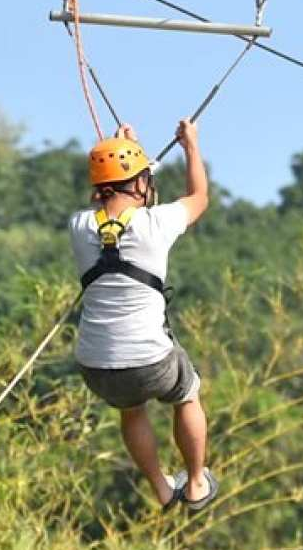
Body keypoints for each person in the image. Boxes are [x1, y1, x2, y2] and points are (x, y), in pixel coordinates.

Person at [70, 118, 217, 511]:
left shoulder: (79, 225)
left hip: (96, 365)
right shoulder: (156, 223)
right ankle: (198, 482)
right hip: (150, 358)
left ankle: (162, 489)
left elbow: (119, 209)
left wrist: (131, 154)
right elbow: (198, 197)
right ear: (139, 183)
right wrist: (190, 146)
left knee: (131, 409)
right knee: (187, 395)